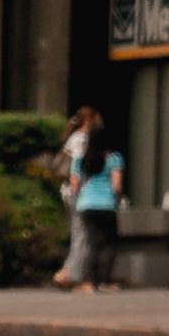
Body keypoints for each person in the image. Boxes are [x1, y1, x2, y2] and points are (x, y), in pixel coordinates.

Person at [53, 107, 104, 288]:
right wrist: (80, 191)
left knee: (79, 232)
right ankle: (72, 276)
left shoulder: (73, 138)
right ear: (88, 121)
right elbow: (76, 169)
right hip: (76, 191)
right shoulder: (80, 140)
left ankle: (67, 271)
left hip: (69, 190)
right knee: (81, 234)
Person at [70, 130, 124, 292]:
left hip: (86, 205)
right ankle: (104, 282)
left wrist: (82, 197)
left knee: (91, 242)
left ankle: (89, 282)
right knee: (108, 243)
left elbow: (74, 184)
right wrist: (117, 200)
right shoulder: (114, 158)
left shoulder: (80, 160)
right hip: (107, 205)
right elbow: (117, 185)